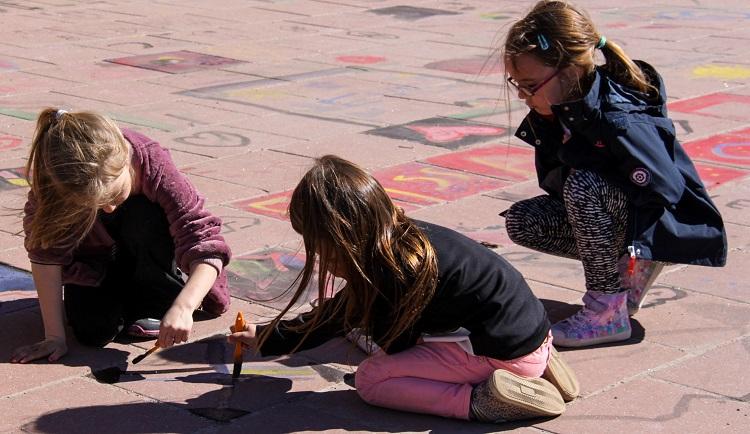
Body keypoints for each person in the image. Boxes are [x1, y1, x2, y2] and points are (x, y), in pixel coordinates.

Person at [228, 155, 579, 423]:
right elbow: (342, 312)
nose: (317, 253)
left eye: (318, 244)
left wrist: (273, 337)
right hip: (531, 329)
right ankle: (541, 363)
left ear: (341, 239)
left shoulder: (392, 274)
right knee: (361, 328)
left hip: (503, 355)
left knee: (372, 378)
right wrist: (268, 336)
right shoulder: (405, 237)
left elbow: (381, 338)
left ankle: (485, 400)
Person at [500, 0, 727, 347]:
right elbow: (557, 186)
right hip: (626, 217)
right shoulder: (562, 109)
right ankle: (627, 273)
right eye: (516, 83)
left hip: (663, 222)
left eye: (530, 85)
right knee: (523, 221)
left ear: (570, 71)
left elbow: (665, 188)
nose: (522, 95)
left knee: (586, 185)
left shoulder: (618, 117)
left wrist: (641, 238)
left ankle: (606, 311)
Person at [10, 108, 231, 363]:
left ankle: (158, 298)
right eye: (95, 205)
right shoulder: (56, 183)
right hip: (96, 263)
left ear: (125, 162)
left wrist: (185, 306)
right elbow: (44, 253)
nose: (109, 209)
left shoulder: (151, 160)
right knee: (92, 332)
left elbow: (204, 241)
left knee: (138, 213)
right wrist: (54, 336)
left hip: (149, 252)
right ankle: (127, 299)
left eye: (115, 195)